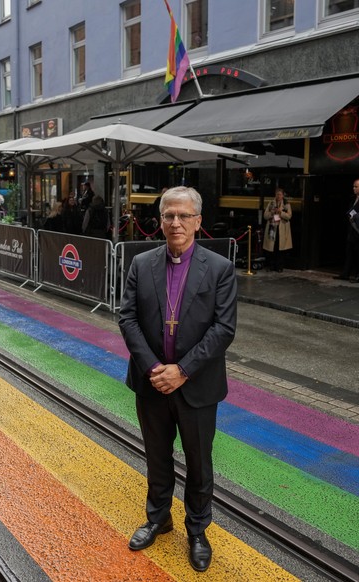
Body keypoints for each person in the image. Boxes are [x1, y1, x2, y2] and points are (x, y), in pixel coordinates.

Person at [118, 186, 237, 573]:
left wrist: (182, 370)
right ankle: (158, 518)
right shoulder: (141, 263)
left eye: (184, 216)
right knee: (157, 457)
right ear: (161, 220)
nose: (175, 223)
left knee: (199, 463)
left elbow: (223, 328)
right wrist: (155, 368)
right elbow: (127, 317)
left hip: (197, 386)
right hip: (151, 383)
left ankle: (198, 532)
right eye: (169, 215)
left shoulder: (219, 268)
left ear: (198, 221)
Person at [262, 188, 293, 272]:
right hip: (273, 228)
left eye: (280, 194)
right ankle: (272, 265)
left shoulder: (286, 204)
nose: (278, 196)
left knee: (280, 249)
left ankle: (279, 266)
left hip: (281, 229)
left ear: (283, 195)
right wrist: (271, 213)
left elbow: (289, 216)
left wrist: (280, 212)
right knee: (272, 248)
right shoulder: (271, 203)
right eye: (277, 194)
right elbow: (265, 216)